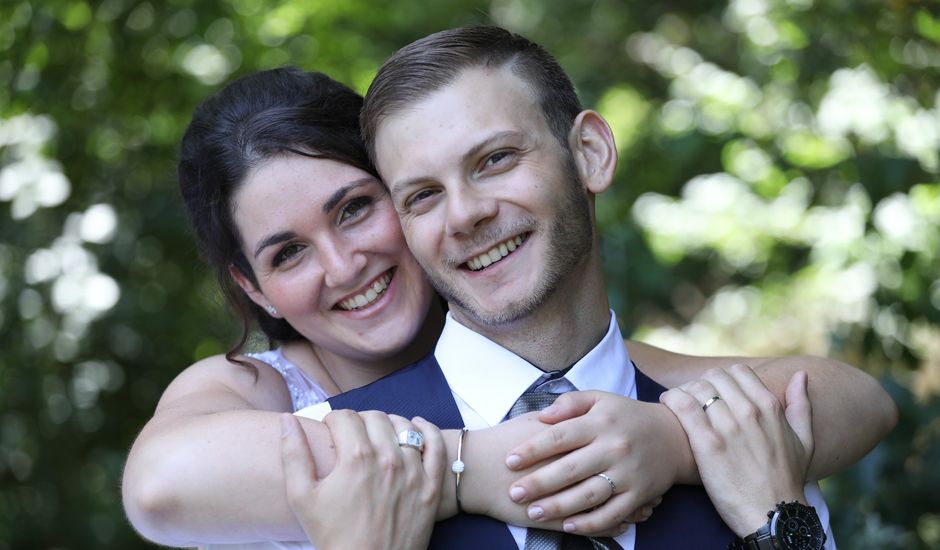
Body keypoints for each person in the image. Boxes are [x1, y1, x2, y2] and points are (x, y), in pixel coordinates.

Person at [121, 55, 894, 549]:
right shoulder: (264, 399)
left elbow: (849, 398)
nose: (344, 262)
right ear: (252, 290)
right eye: (286, 253)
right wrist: (471, 467)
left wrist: (671, 441)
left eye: (357, 207)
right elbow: (160, 483)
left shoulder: (593, 376)